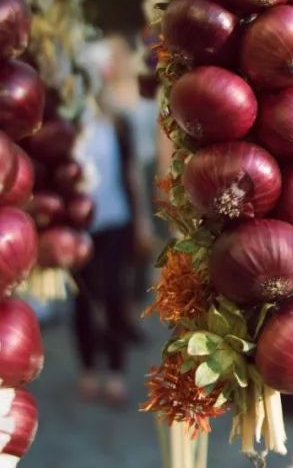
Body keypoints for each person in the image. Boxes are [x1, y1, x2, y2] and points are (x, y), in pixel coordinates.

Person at [74, 38, 153, 404]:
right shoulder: (72, 122)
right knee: (84, 298)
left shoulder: (119, 123)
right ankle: (89, 367)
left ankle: (117, 372)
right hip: (80, 226)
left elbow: (132, 175)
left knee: (115, 292)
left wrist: (141, 222)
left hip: (116, 220)